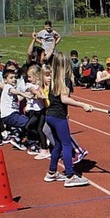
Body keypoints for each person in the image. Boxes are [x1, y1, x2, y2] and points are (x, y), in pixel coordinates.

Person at [43, 52, 93, 187]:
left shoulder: (53, 78)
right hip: (58, 117)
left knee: (58, 145)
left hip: (50, 115)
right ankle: (70, 176)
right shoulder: (64, 79)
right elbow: (64, 99)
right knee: (66, 145)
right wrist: (83, 105)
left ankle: (52, 172)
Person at [0, 69, 33, 150]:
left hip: (13, 114)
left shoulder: (11, 89)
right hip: (9, 114)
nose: (14, 79)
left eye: (15, 77)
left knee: (28, 121)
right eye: (11, 78)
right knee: (28, 123)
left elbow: (19, 98)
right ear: (5, 80)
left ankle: (17, 137)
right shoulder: (8, 87)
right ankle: (16, 137)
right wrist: (24, 94)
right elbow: (16, 92)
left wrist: (29, 93)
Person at [24, 65, 51, 159]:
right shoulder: (30, 85)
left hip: (41, 111)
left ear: (36, 77)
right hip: (35, 111)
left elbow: (40, 93)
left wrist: (42, 96)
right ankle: (42, 143)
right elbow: (34, 91)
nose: (28, 78)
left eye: (30, 77)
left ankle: (44, 148)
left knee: (40, 129)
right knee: (29, 127)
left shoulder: (40, 85)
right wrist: (39, 95)